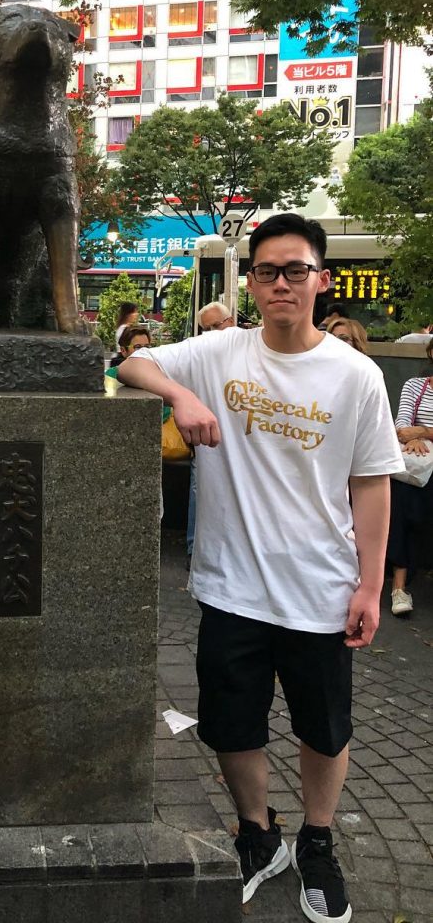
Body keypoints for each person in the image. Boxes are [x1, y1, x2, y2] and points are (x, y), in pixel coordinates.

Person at [119, 213, 403, 923]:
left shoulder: (355, 375)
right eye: (267, 271)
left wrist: (369, 584)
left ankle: (316, 840)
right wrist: (181, 396)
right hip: (231, 588)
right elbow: (128, 362)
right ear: (249, 282)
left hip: (320, 587)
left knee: (322, 729)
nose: (281, 283)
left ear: (321, 280)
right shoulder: (220, 352)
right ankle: (257, 834)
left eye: (295, 270)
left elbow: (371, 483)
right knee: (232, 726)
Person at [385, 337, 433, 616]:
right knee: (402, 499)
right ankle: (399, 587)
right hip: (416, 464)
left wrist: (423, 432)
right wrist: (411, 437)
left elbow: (414, 429)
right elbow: (402, 426)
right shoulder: (415, 386)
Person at [186, 302, 237, 566]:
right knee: (200, 490)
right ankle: (195, 548)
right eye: (206, 329)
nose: (212, 333)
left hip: (241, 443)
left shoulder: (248, 350)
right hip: (208, 440)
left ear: (231, 320)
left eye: (216, 326)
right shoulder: (201, 355)